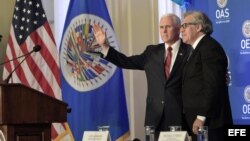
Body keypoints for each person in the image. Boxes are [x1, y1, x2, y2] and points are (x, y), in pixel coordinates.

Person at [93, 13, 192, 139]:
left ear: (178, 29)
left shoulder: (190, 51)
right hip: (154, 120)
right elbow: (126, 61)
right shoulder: (152, 52)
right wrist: (105, 46)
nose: (164, 31)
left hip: (180, 118)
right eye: (161, 27)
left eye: (168, 27)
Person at [180, 11, 233, 141]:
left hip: (211, 123)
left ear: (198, 27)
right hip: (198, 122)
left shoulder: (209, 48)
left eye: (185, 25)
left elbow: (212, 85)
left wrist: (201, 117)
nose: (181, 30)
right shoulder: (195, 49)